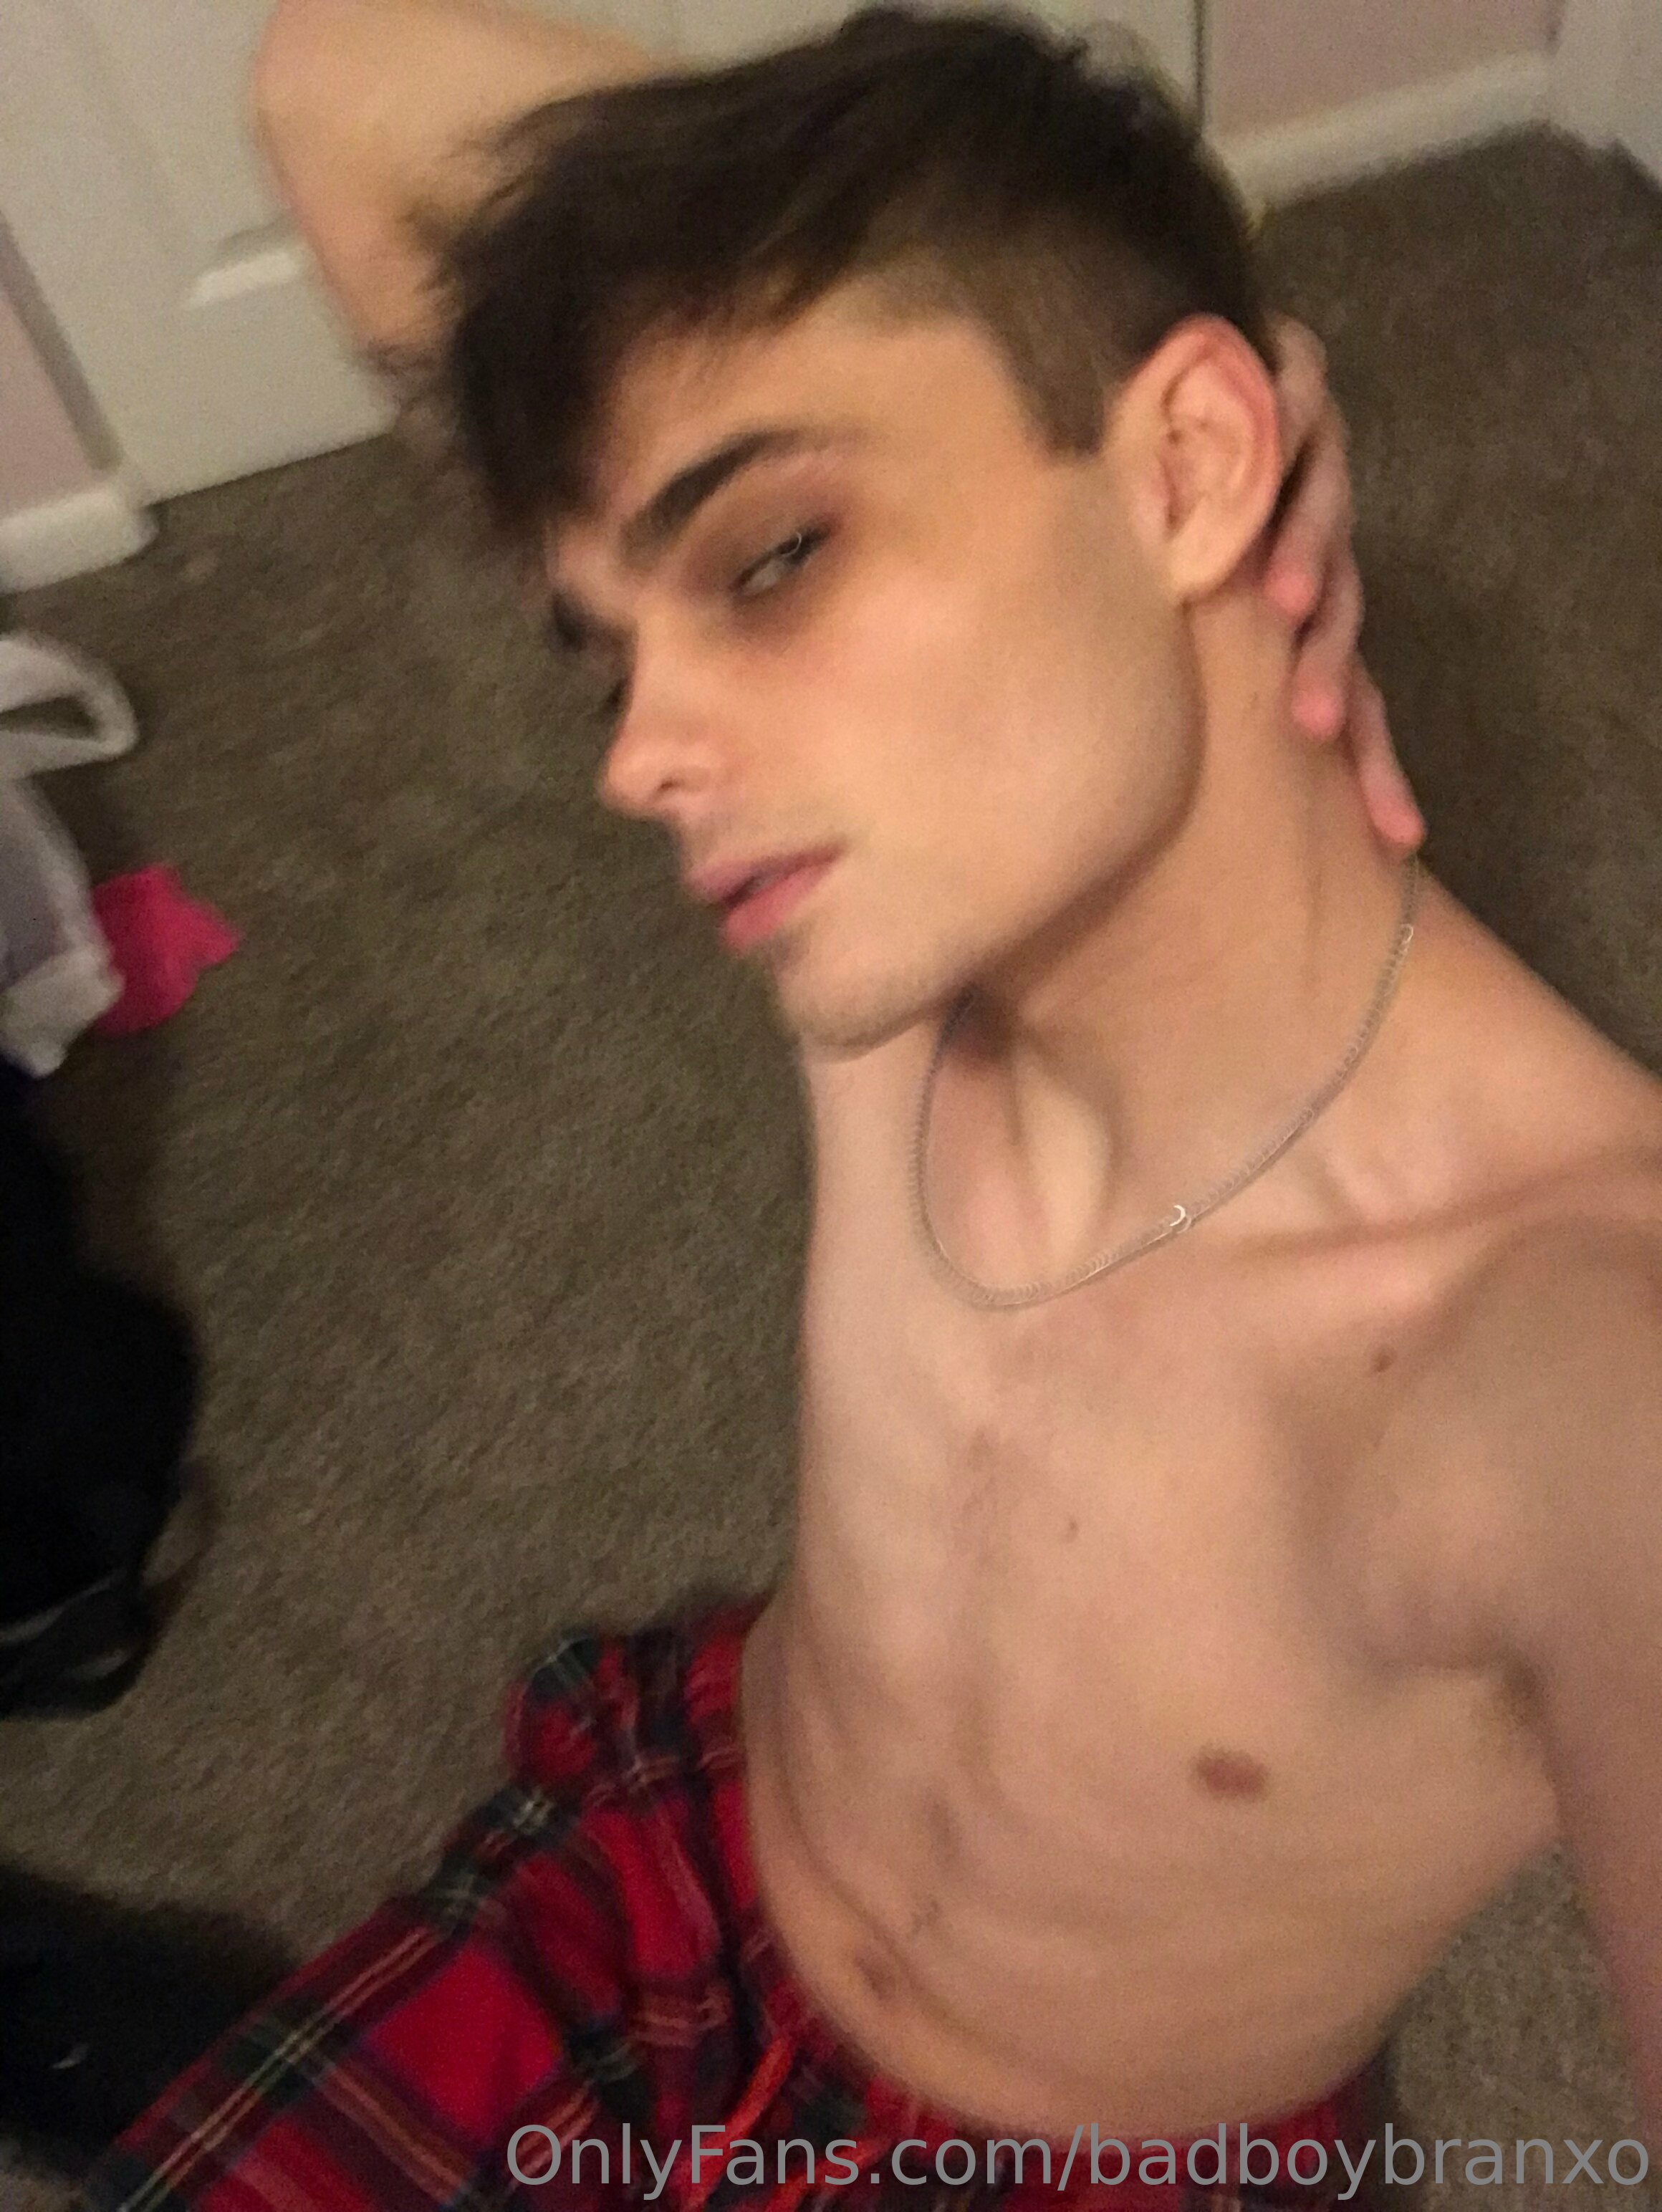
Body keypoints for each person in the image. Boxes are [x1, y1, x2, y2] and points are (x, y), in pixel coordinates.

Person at [88, 4, 1662, 2208]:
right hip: (679, 1870)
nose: (641, 754)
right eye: (607, 649)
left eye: (770, 558)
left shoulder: (1572, 1360)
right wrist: (1153, 324)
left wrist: (1168, 351)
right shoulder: (897, 990)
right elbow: (335, 83)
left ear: (1192, 470)